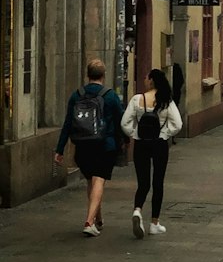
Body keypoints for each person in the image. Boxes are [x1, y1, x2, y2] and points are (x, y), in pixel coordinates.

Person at [54, 59, 124, 237]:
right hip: (104, 145)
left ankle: (98, 220)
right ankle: (89, 221)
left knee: (91, 181)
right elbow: (120, 122)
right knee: (99, 180)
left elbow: (68, 123)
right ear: (103, 75)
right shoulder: (110, 96)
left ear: (87, 74)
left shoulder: (77, 95)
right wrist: (123, 142)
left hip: (83, 145)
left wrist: (60, 149)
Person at [121, 67, 183, 239]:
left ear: (151, 80)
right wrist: (164, 134)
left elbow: (125, 123)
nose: (144, 80)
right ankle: (154, 223)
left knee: (143, 182)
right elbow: (177, 124)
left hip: (141, 144)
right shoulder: (166, 101)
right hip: (159, 145)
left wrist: (136, 134)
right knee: (158, 182)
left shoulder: (137, 99)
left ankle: (137, 210)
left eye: (146, 77)